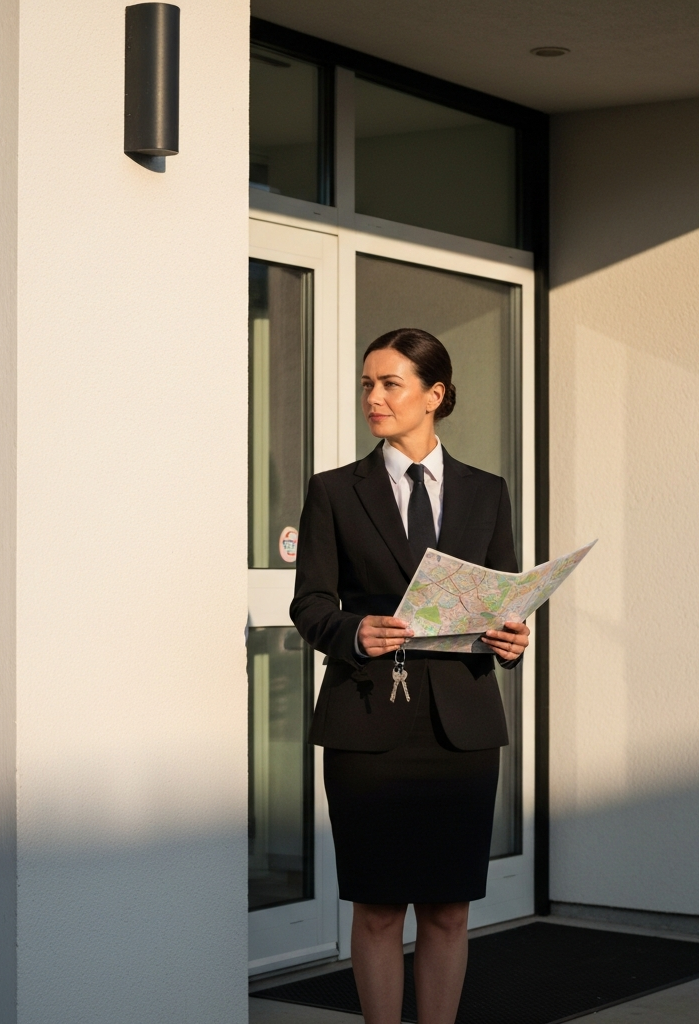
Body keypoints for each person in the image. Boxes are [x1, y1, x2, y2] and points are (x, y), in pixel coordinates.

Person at [290, 328, 530, 1024]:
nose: (374, 397)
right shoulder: (334, 491)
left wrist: (511, 639)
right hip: (367, 724)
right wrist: (351, 632)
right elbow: (309, 602)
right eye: (367, 383)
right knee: (377, 908)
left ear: (435, 395)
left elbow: (502, 600)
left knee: (450, 910)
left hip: (461, 727)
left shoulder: (488, 492)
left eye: (390, 383)